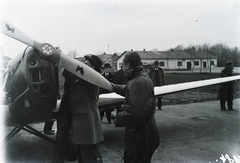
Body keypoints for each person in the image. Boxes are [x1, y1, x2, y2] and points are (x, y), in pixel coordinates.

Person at [53, 54, 104, 163]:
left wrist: (60, 59)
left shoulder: (93, 78)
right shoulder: (83, 78)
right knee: (84, 156)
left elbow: (72, 74)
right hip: (82, 126)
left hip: (87, 125)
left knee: (91, 156)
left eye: (86, 64)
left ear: (93, 67)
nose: (82, 65)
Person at [111, 51, 160, 163]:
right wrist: (113, 87)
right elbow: (130, 90)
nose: (122, 68)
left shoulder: (138, 81)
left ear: (128, 65)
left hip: (140, 135)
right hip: (145, 131)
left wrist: (117, 116)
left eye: (122, 65)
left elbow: (134, 112)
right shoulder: (140, 77)